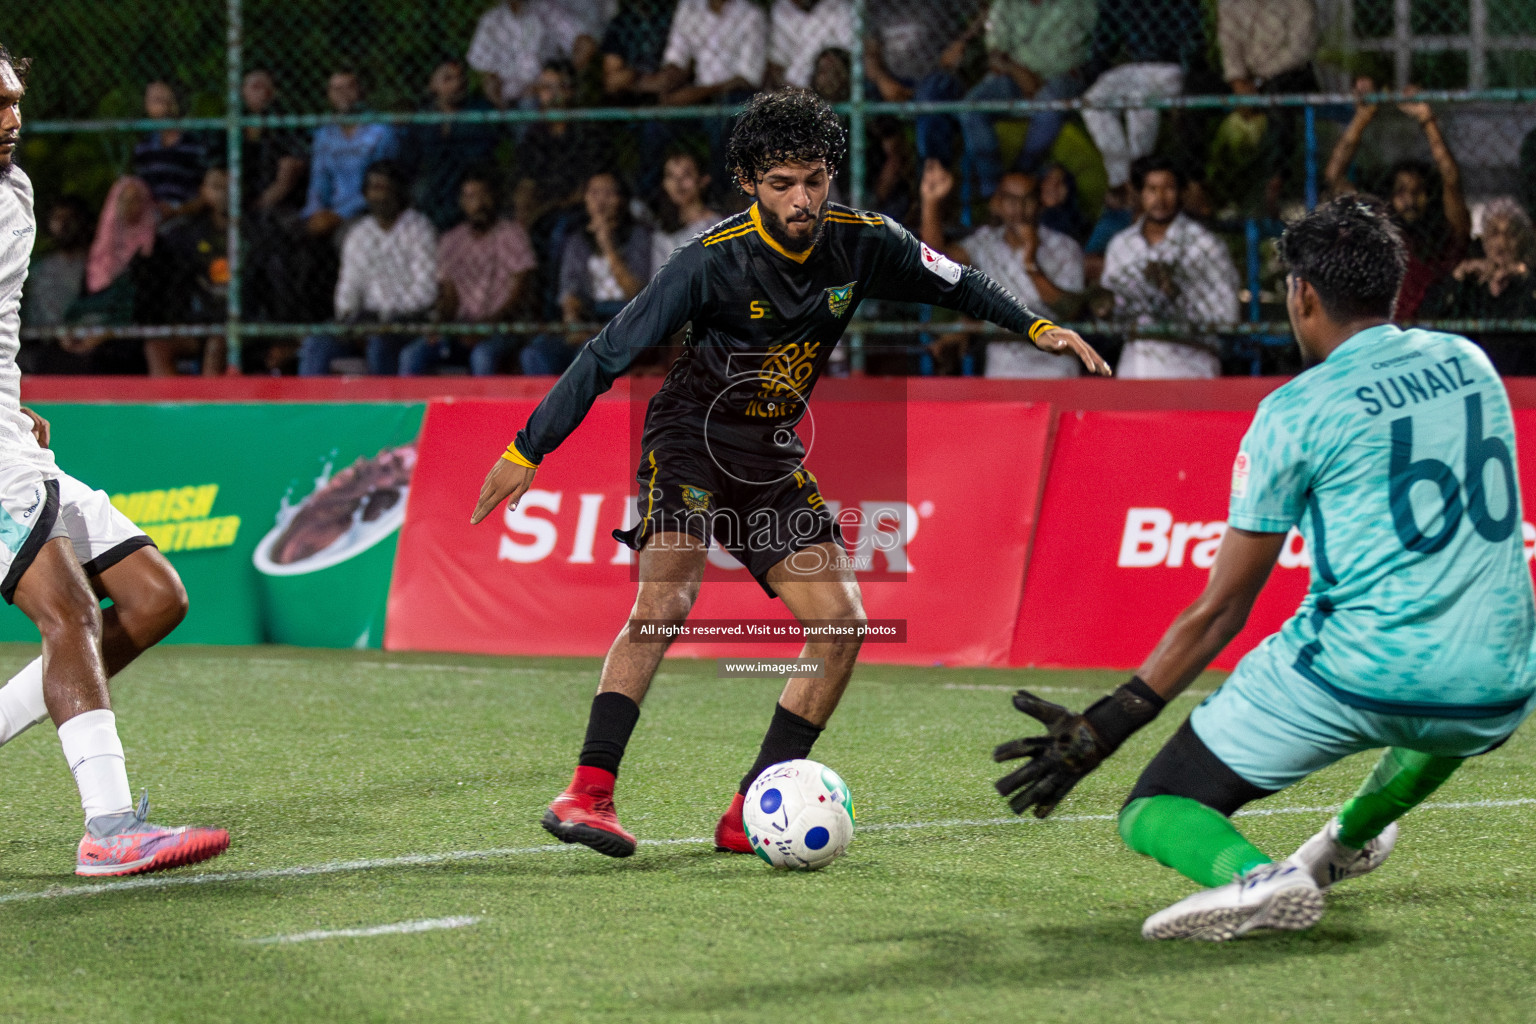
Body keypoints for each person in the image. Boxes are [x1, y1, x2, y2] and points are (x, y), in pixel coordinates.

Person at [468, 89, 1109, 860]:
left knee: (842, 628)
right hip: (690, 440)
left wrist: (1038, 327)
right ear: (748, 181)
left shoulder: (865, 241)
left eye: (813, 178)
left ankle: (749, 809)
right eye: (781, 183)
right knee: (667, 596)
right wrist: (525, 450)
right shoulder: (708, 261)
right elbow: (608, 353)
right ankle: (588, 793)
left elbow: (957, 281)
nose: (801, 199)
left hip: (769, 457)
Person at [993, 195, 1536, 941]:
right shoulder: (1469, 361)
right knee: (1442, 709)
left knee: (1159, 804)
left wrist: (1108, 725)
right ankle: (1343, 844)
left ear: (1302, 294)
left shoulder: (1295, 410)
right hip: (1502, 687)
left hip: (1360, 674)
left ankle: (1257, 879)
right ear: (1394, 286)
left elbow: (1221, 610)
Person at [0, 44, 228, 876]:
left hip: (8, 433)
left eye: (16, 98)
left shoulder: (15, 193)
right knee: (72, 615)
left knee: (155, 597)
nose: (13, 117)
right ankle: (109, 828)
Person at [920, 161, 1085, 377]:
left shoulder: (1065, 247)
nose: (1019, 208)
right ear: (998, 203)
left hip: (1057, 370)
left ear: (1040, 203)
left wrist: (1031, 262)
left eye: (1027, 199)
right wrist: (930, 202)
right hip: (1003, 370)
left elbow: (1071, 311)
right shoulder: (986, 243)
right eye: (1010, 199)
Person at [919, 0, 1097, 199]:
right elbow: (995, 51)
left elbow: (1068, 54)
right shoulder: (1005, 4)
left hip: (1060, 76)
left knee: (1050, 106)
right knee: (971, 108)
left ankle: (1020, 175)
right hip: (1013, 74)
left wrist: (1030, 76)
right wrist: (1019, 72)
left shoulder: (1077, 4)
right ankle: (993, 190)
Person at [1325, 79, 1470, 319]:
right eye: (1402, 191)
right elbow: (1334, 176)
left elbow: (1450, 178)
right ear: (1391, 196)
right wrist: (1362, 118)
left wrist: (1427, 119)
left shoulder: (1446, 237)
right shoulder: (1379, 230)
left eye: (1419, 191)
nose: (1410, 199)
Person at [1100, 155, 1239, 378]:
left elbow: (1228, 315)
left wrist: (1176, 294)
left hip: (1189, 368)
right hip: (1135, 368)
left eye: (1169, 189)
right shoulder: (1121, 245)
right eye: (1152, 189)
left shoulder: (1205, 245)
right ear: (1139, 194)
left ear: (1182, 192)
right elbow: (1113, 310)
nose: (1160, 198)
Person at [298, 161, 437, 376]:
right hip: (364, 323)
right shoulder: (359, 233)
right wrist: (352, 318)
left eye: (386, 188)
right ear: (365, 193)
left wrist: (383, 318)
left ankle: (385, 408)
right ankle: (310, 408)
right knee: (317, 343)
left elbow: (425, 292)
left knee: (380, 343)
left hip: (407, 322)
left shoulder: (419, 229)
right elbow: (349, 286)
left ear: (399, 191)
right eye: (374, 188)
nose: (380, 196)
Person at [522, 170, 654, 376]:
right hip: (589, 318)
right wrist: (573, 321)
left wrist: (607, 244)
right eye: (594, 193)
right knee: (535, 352)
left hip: (626, 321)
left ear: (621, 199)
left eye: (608, 193)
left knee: (588, 352)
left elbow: (637, 291)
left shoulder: (638, 236)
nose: (601, 200)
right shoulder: (577, 240)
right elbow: (569, 290)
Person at [1080, 0, 1207, 192]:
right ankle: (1122, 178)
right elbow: (1104, 43)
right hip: (1135, 67)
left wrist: (1189, 78)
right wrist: (1094, 73)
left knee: (1138, 99)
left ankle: (1140, 176)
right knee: (1093, 100)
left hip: (1170, 66)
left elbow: (1193, 43)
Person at [433, 170, 537, 375]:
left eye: (483, 195)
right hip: (462, 327)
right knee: (413, 355)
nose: (479, 204)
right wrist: (440, 325)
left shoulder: (512, 234)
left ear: (494, 197)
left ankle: (481, 408)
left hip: (503, 326)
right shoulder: (451, 241)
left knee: (483, 355)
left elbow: (521, 292)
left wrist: (487, 327)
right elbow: (449, 294)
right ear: (462, 203)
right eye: (471, 197)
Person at [1424, 197, 1536, 375]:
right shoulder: (1471, 283)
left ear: (1522, 239)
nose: (1502, 242)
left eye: (1510, 233)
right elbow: (1430, 314)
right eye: (1494, 233)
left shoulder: (1530, 281)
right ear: (1483, 239)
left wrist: (1524, 278)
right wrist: (1457, 276)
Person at [142, 166, 230, 377]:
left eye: (230, 186)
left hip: (245, 321)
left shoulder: (257, 231)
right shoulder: (190, 235)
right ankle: (171, 409)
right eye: (217, 187)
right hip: (204, 320)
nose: (225, 193)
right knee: (157, 346)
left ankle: (208, 410)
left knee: (216, 346)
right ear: (204, 192)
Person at [300, 69, 399, 242]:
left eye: (349, 87)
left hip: (367, 208)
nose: (343, 94)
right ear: (329, 94)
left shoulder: (380, 132)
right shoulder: (325, 135)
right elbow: (319, 180)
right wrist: (314, 212)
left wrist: (338, 215)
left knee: (345, 237)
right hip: (329, 210)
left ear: (361, 91)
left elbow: (381, 182)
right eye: (336, 89)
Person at [404, 58, 500, 232]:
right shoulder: (423, 117)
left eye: (461, 78)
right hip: (433, 184)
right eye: (448, 79)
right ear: (432, 85)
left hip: (466, 178)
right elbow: (411, 158)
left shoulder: (480, 111)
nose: (457, 84)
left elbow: (483, 156)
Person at [466, 0, 576, 109]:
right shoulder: (491, 21)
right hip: (509, 100)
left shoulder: (548, 11)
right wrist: (501, 108)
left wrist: (562, 81)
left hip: (545, 93)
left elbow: (581, 41)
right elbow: (486, 72)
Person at [132, 80, 207, 221]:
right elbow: (142, 187)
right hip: (152, 215)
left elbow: (205, 190)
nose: (160, 103)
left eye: (163, 97)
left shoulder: (195, 142)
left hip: (188, 214)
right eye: (154, 99)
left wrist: (177, 210)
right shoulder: (144, 147)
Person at [651, 149, 723, 269]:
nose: (678, 183)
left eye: (687, 175)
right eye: (671, 176)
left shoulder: (720, 224)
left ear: (703, 179)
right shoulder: (662, 233)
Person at [767, 0, 854, 91]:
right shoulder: (781, 8)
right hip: (791, 91)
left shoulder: (840, 7)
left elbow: (848, 58)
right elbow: (777, 61)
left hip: (826, 92)